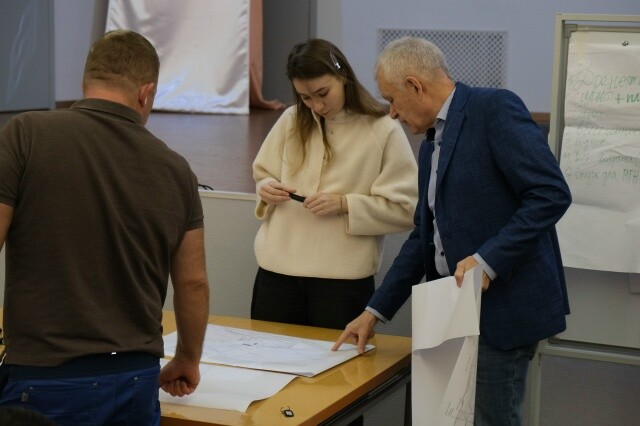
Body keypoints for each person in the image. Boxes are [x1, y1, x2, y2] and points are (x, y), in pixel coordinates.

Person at [333, 36, 572, 426]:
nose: (391, 113)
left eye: (392, 99)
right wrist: (374, 311)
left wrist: (487, 261)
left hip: (501, 314)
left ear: (415, 85)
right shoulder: (431, 144)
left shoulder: (493, 109)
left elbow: (550, 193)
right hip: (450, 313)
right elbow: (423, 237)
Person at [0, 30, 210, 425]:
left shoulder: (26, 134)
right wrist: (187, 358)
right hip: (135, 378)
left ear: (86, 83)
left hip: (43, 376)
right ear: (146, 93)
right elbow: (193, 282)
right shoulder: (176, 170)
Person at [251, 38, 418, 331]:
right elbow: (263, 173)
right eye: (305, 97)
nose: (316, 106)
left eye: (322, 93)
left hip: (342, 283)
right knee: (267, 358)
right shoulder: (291, 119)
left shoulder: (383, 128)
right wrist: (266, 188)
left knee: (339, 362)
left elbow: (407, 209)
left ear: (343, 76)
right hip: (276, 274)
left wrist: (345, 204)